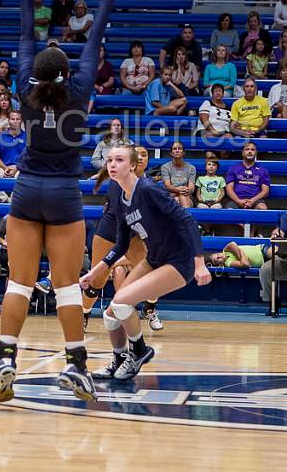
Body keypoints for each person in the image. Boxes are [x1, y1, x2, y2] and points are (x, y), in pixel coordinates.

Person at [0, 0, 116, 404]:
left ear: (37, 74)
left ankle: (6, 359)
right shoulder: (80, 89)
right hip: (64, 194)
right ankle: (76, 366)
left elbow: (26, 37)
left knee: (19, 284)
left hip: (26, 190)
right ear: (67, 72)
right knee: (66, 284)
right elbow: (94, 41)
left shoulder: (26, 88)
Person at [81, 147, 211, 381]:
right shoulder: (120, 198)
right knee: (111, 314)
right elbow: (120, 245)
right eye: (109, 160)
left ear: (132, 165)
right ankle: (120, 360)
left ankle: (139, 351)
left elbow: (187, 220)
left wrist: (199, 263)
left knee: (121, 303)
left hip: (179, 261)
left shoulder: (149, 189)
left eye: (119, 160)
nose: (112, 164)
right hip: (154, 259)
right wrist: (95, 271)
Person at [225, 141, 271, 210]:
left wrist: (253, 200)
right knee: (230, 210)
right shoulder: (233, 168)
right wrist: (238, 201)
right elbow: (229, 189)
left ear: (256, 153)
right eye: (247, 149)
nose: (250, 151)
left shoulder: (263, 170)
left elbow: (265, 191)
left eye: (252, 150)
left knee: (262, 208)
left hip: (256, 200)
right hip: (236, 199)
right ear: (242, 153)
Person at [160, 140, 196, 208]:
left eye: (179, 148)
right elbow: (167, 186)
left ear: (183, 152)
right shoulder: (165, 167)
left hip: (186, 195)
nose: (177, 150)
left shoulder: (191, 168)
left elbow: (191, 187)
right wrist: (178, 190)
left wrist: (185, 190)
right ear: (171, 153)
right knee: (176, 199)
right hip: (171, 196)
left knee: (181, 197)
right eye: (174, 149)